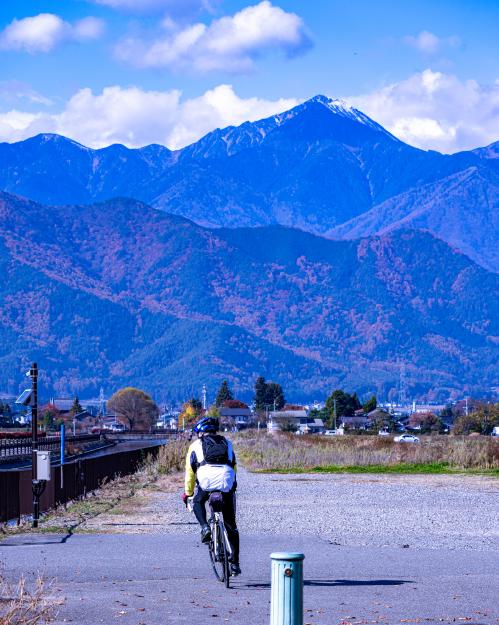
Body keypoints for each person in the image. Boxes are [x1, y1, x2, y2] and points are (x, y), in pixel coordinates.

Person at [182, 416, 241, 576]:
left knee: (198, 502)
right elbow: (233, 466)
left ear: (200, 432)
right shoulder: (227, 443)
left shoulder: (195, 445)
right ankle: (235, 563)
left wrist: (188, 493)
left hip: (206, 479)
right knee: (231, 525)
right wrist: (232, 485)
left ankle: (205, 527)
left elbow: (190, 473)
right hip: (225, 479)